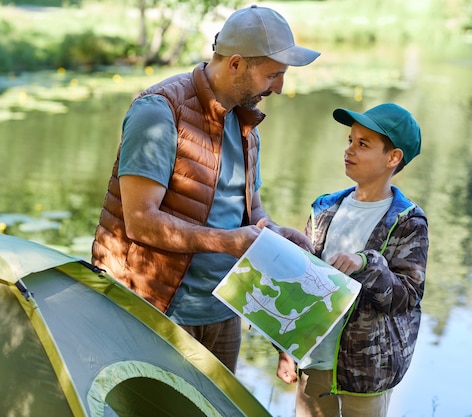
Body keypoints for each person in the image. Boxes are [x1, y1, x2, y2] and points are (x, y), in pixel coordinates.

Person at [91, 5, 320, 373]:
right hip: (157, 307)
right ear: (235, 64)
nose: (278, 88)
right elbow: (139, 221)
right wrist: (227, 242)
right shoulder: (160, 111)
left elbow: (252, 213)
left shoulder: (247, 124)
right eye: (273, 75)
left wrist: (277, 236)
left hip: (223, 311)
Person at [275, 103, 429, 417]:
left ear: (393, 158)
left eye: (363, 144)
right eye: (349, 140)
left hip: (364, 373)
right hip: (313, 362)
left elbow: (406, 298)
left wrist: (366, 264)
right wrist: (285, 348)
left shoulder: (407, 222)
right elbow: (302, 284)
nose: (349, 150)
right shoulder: (324, 208)